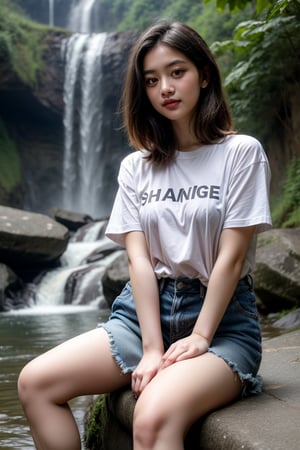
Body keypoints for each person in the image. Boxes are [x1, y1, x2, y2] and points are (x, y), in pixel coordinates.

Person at [18, 20, 272, 450]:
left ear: (204, 74)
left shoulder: (240, 153)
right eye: (152, 80)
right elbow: (138, 261)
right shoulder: (137, 167)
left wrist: (201, 337)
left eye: (177, 72)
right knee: (34, 383)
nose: (165, 88)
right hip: (141, 317)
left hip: (222, 321)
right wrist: (153, 348)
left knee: (151, 415)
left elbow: (231, 257)